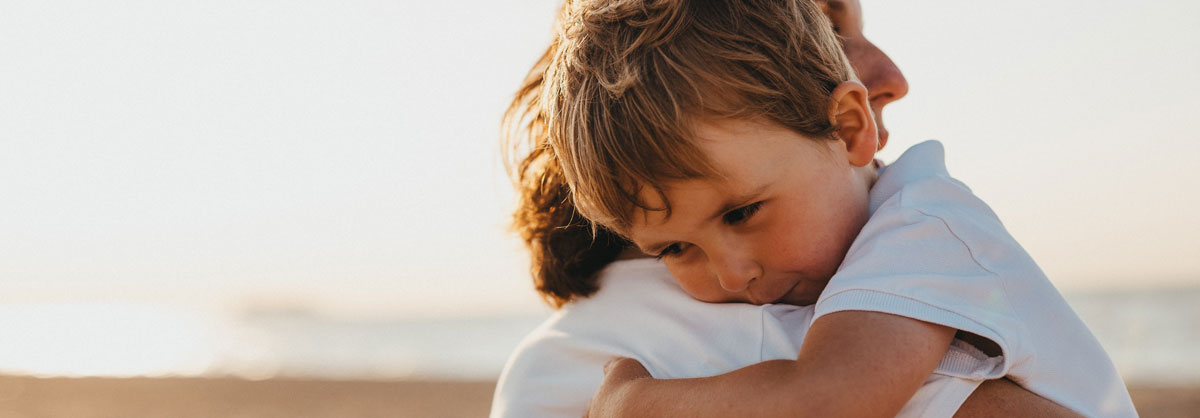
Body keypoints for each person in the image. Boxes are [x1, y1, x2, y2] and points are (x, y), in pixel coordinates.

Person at [492, 1, 1103, 418]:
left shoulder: (922, 226)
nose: (732, 277)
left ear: (846, 125)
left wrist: (636, 403)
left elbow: (825, 401)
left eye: (741, 213)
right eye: (676, 248)